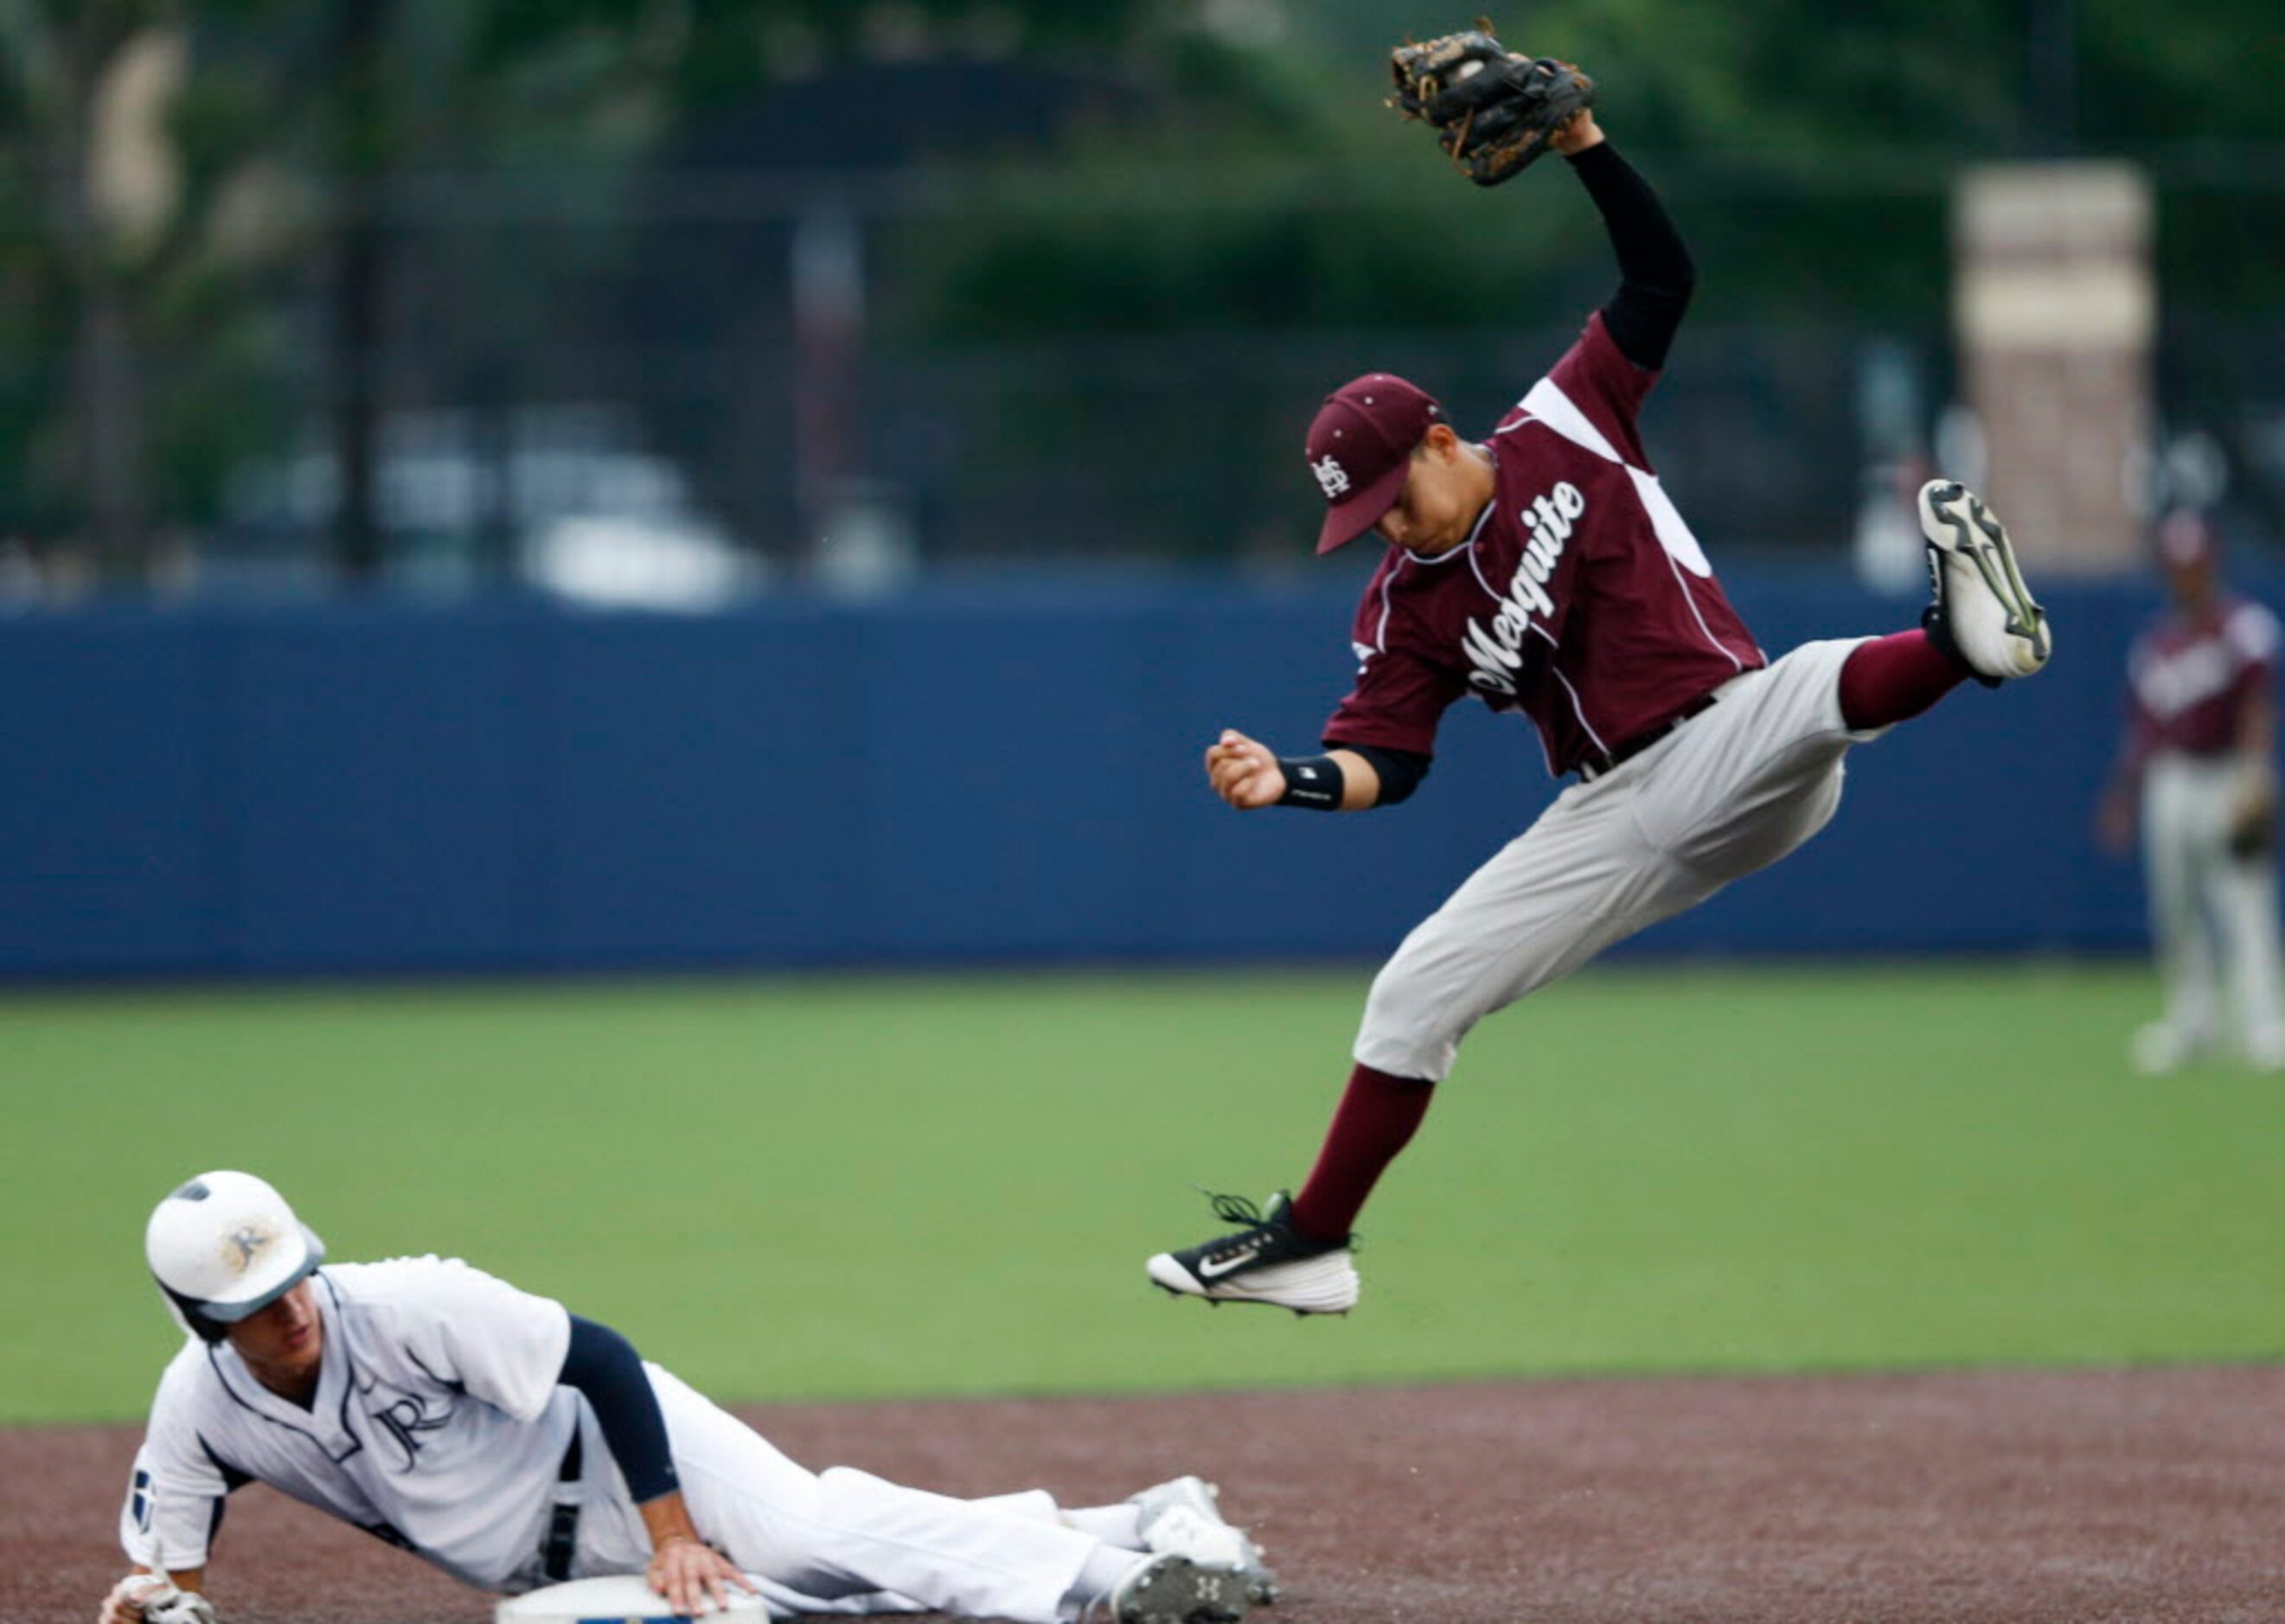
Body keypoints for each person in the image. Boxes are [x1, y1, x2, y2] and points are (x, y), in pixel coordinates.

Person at [1142, 106, 2052, 1316]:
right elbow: (1387, 757)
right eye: (1361, 516)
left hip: (1737, 731)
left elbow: (1660, 273)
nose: (1384, 524)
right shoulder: (1404, 605)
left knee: (1806, 686)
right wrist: (1292, 777)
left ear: (1434, 435)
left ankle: (1956, 644)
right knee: (1414, 989)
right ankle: (1310, 1241)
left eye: (1387, 495)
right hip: (1619, 809)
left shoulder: (1565, 419)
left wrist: (1579, 140)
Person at [101, 1173, 1269, 1624]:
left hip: (620, 1453)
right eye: (259, 1300)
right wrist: (158, 1605)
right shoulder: (197, 1410)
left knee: (807, 1529)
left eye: (296, 1275)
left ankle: (1132, 1585)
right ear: (203, 1322)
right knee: (825, 1590)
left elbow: (600, 1356)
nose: (294, 1306)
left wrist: (671, 1530)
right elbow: (173, 1580)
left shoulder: (408, 1301)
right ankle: (1134, 1518)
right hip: (540, 1571)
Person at [2096, 510, 2285, 1071]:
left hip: (2228, 771)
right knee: (2175, 904)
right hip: (2171, 779)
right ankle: (2192, 1019)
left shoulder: (2245, 626)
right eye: (2178, 566)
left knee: (2243, 901)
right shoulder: (2157, 644)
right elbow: (2143, 731)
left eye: (2195, 564)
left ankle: (2260, 1021)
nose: (2187, 575)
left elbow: (2257, 704)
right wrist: (2123, 795)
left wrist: (2255, 774)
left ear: (2212, 562)